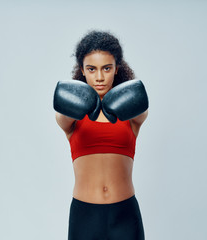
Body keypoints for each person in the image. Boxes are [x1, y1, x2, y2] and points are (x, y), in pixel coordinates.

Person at [53, 30, 148, 240]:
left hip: (125, 213)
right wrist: (81, 100)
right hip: (85, 216)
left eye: (106, 68)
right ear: (82, 71)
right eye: (91, 69)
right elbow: (61, 116)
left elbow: (142, 109)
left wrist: (120, 100)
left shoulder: (130, 113)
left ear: (116, 69)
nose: (99, 77)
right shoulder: (73, 114)